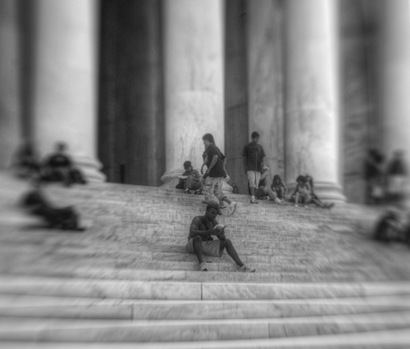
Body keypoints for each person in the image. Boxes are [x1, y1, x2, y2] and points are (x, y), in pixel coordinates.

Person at [186, 201, 255, 272]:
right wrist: (209, 232)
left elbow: (222, 238)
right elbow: (192, 232)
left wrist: (221, 233)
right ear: (207, 210)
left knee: (227, 242)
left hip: (206, 245)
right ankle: (201, 264)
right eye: (212, 213)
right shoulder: (197, 219)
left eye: (215, 214)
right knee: (198, 237)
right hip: (194, 245)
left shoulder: (214, 222)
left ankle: (241, 266)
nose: (214, 216)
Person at [202, 133, 236, 215]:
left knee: (207, 190)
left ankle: (212, 209)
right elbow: (224, 158)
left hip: (214, 173)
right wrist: (223, 168)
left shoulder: (210, 147)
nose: (203, 143)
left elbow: (216, 157)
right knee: (217, 191)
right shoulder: (216, 148)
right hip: (219, 173)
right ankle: (231, 203)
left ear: (207, 140)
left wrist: (209, 169)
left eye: (204, 141)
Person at [243, 131, 266, 204]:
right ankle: (252, 197)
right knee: (252, 182)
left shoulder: (260, 147)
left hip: (258, 168)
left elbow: (262, 157)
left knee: (257, 184)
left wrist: (263, 165)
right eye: (255, 138)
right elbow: (244, 158)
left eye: (257, 138)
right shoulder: (247, 146)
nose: (257, 140)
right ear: (252, 138)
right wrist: (245, 167)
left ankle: (254, 197)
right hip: (250, 167)